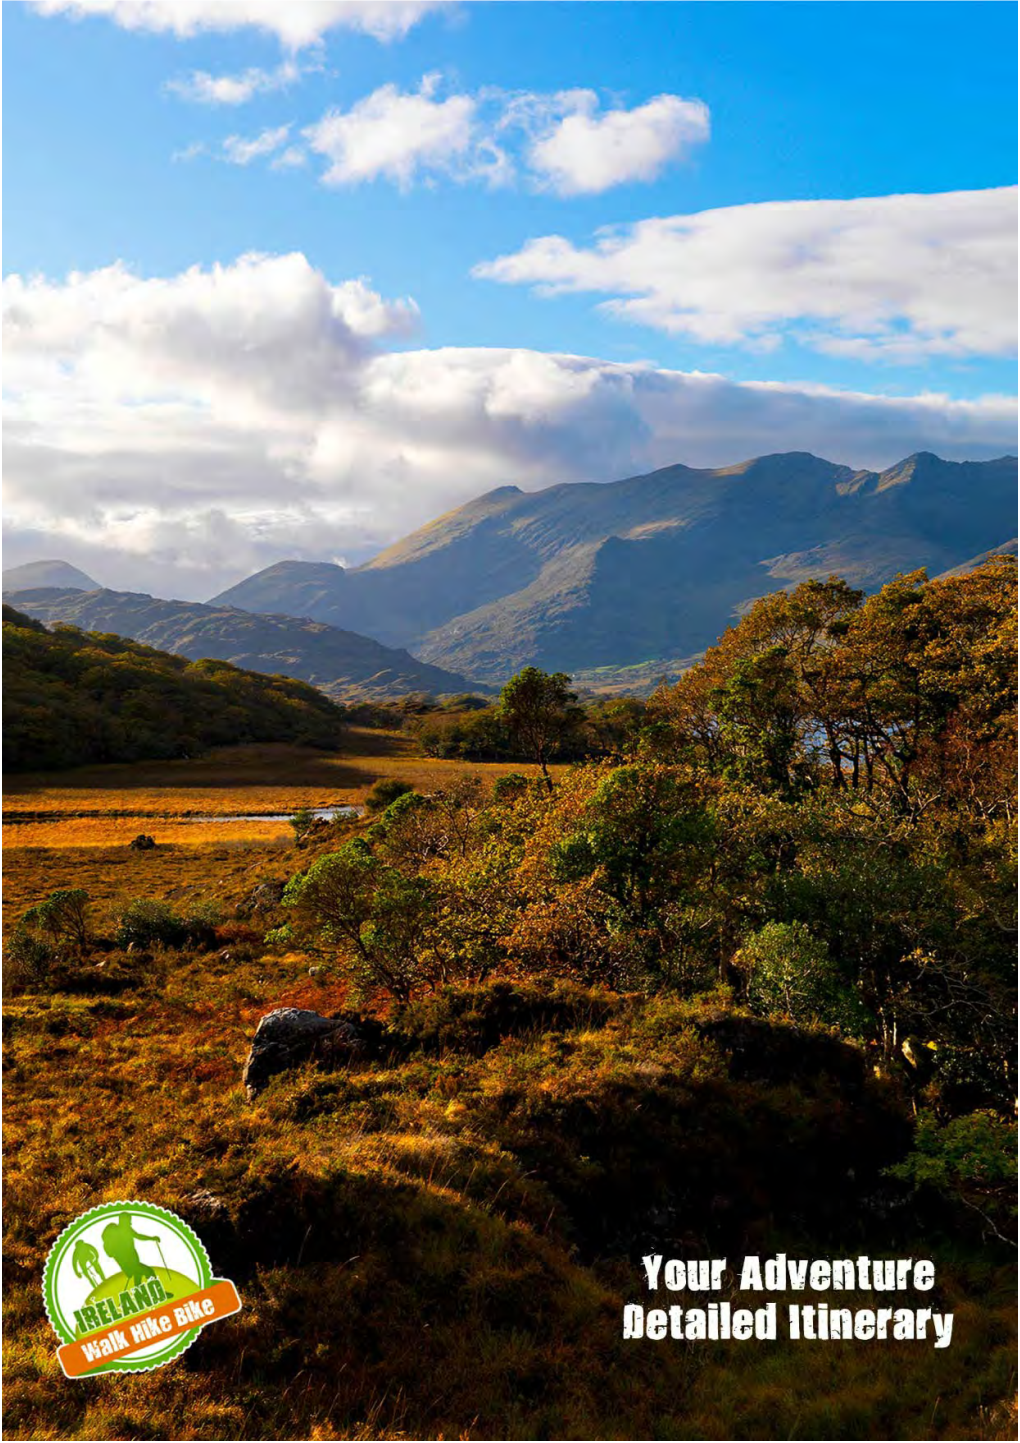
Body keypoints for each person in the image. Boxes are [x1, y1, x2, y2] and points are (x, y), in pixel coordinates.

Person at [101, 1212, 160, 1288]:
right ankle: (158, 1292)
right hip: (128, 1263)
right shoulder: (117, 1232)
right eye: (128, 1220)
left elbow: (138, 1236)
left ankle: (139, 1297)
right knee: (149, 1271)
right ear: (123, 1221)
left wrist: (152, 1238)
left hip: (133, 1260)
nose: (130, 1223)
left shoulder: (127, 1229)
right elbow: (112, 1253)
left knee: (138, 1277)